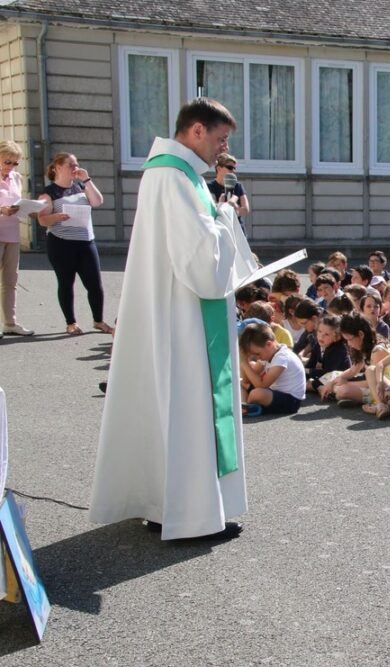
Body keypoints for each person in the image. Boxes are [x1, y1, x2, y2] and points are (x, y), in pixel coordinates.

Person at [91, 98, 256, 540]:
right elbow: (201, 262)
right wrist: (224, 216)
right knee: (187, 406)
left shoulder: (173, 174)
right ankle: (190, 516)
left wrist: (217, 214)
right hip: (184, 317)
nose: (222, 150)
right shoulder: (175, 176)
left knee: (175, 408)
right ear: (196, 130)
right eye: (219, 139)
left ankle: (169, 505)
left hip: (175, 309)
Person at [35, 152, 113, 336]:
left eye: (76, 164)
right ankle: (71, 323)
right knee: (66, 283)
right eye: (71, 165)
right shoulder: (49, 193)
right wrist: (56, 217)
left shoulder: (80, 186)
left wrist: (86, 180)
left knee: (95, 284)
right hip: (62, 244)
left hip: (86, 242)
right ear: (58, 168)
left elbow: (97, 201)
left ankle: (98, 321)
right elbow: (42, 220)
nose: (75, 168)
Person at [237, 322, 305, 416]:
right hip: (274, 393)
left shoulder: (282, 358)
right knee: (242, 381)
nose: (257, 358)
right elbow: (248, 380)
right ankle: (244, 406)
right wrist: (244, 362)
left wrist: (244, 363)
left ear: (269, 344)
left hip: (291, 401)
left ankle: (246, 407)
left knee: (257, 393)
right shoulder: (268, 353)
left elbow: (261, 385)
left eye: (257, 354)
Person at [0, 140, 31, 336]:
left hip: (12, 234)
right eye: (7, 161)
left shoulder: (17, 178)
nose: (10, 166)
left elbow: (18, 202)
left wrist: (24, 208)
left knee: (11, 281)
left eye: (14, 163)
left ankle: (10, 323)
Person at [206, 153, 250, 231]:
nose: (233, 171)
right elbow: (212, 208)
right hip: (219, 228)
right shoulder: (210, 186)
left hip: (237, 229)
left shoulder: (238, 186)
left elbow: (246, 209)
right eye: (230, 167)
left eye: (234, 168)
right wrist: (223, 206)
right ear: (219, 168)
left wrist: (236, 211)